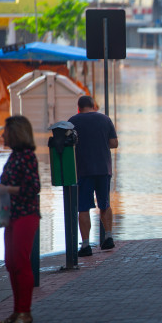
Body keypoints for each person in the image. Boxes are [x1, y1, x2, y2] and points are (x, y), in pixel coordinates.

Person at [0, 116, 40, 323]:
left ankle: (24, 312)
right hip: (12, 215)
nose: (2, 135)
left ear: (15, 133)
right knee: (10, 263)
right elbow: (11, 185)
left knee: (20, 262)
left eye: (5, 131)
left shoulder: (27, 156)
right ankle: (17, 311)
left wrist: (5, 189)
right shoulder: (14, 156)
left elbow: (33, 188)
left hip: (26, 215)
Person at [69, 96, 118, 257]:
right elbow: (114, 143)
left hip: (83, 171)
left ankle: (85, 245)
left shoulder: (72, 121)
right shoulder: (105, 119)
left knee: (83, 207)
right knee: (104, 204)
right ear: (93, 106)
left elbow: (68, 144)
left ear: (79, 107)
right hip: (104, 169)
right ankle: (109, 236)